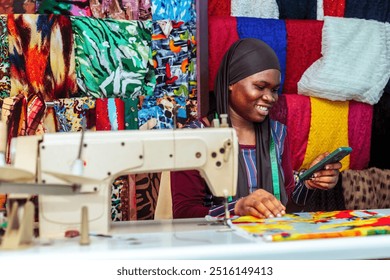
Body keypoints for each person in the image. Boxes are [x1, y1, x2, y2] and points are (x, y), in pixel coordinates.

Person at [171, 38, 342, 219]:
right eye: (260, 87)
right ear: (231, 82)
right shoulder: (194, 139)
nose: (270, 98)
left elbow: (285, 206)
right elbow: (184, 214)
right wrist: (237, 208)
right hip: (218, 243)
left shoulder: (277, 133)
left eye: (274, 90)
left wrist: (309, 183)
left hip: (269, 241)